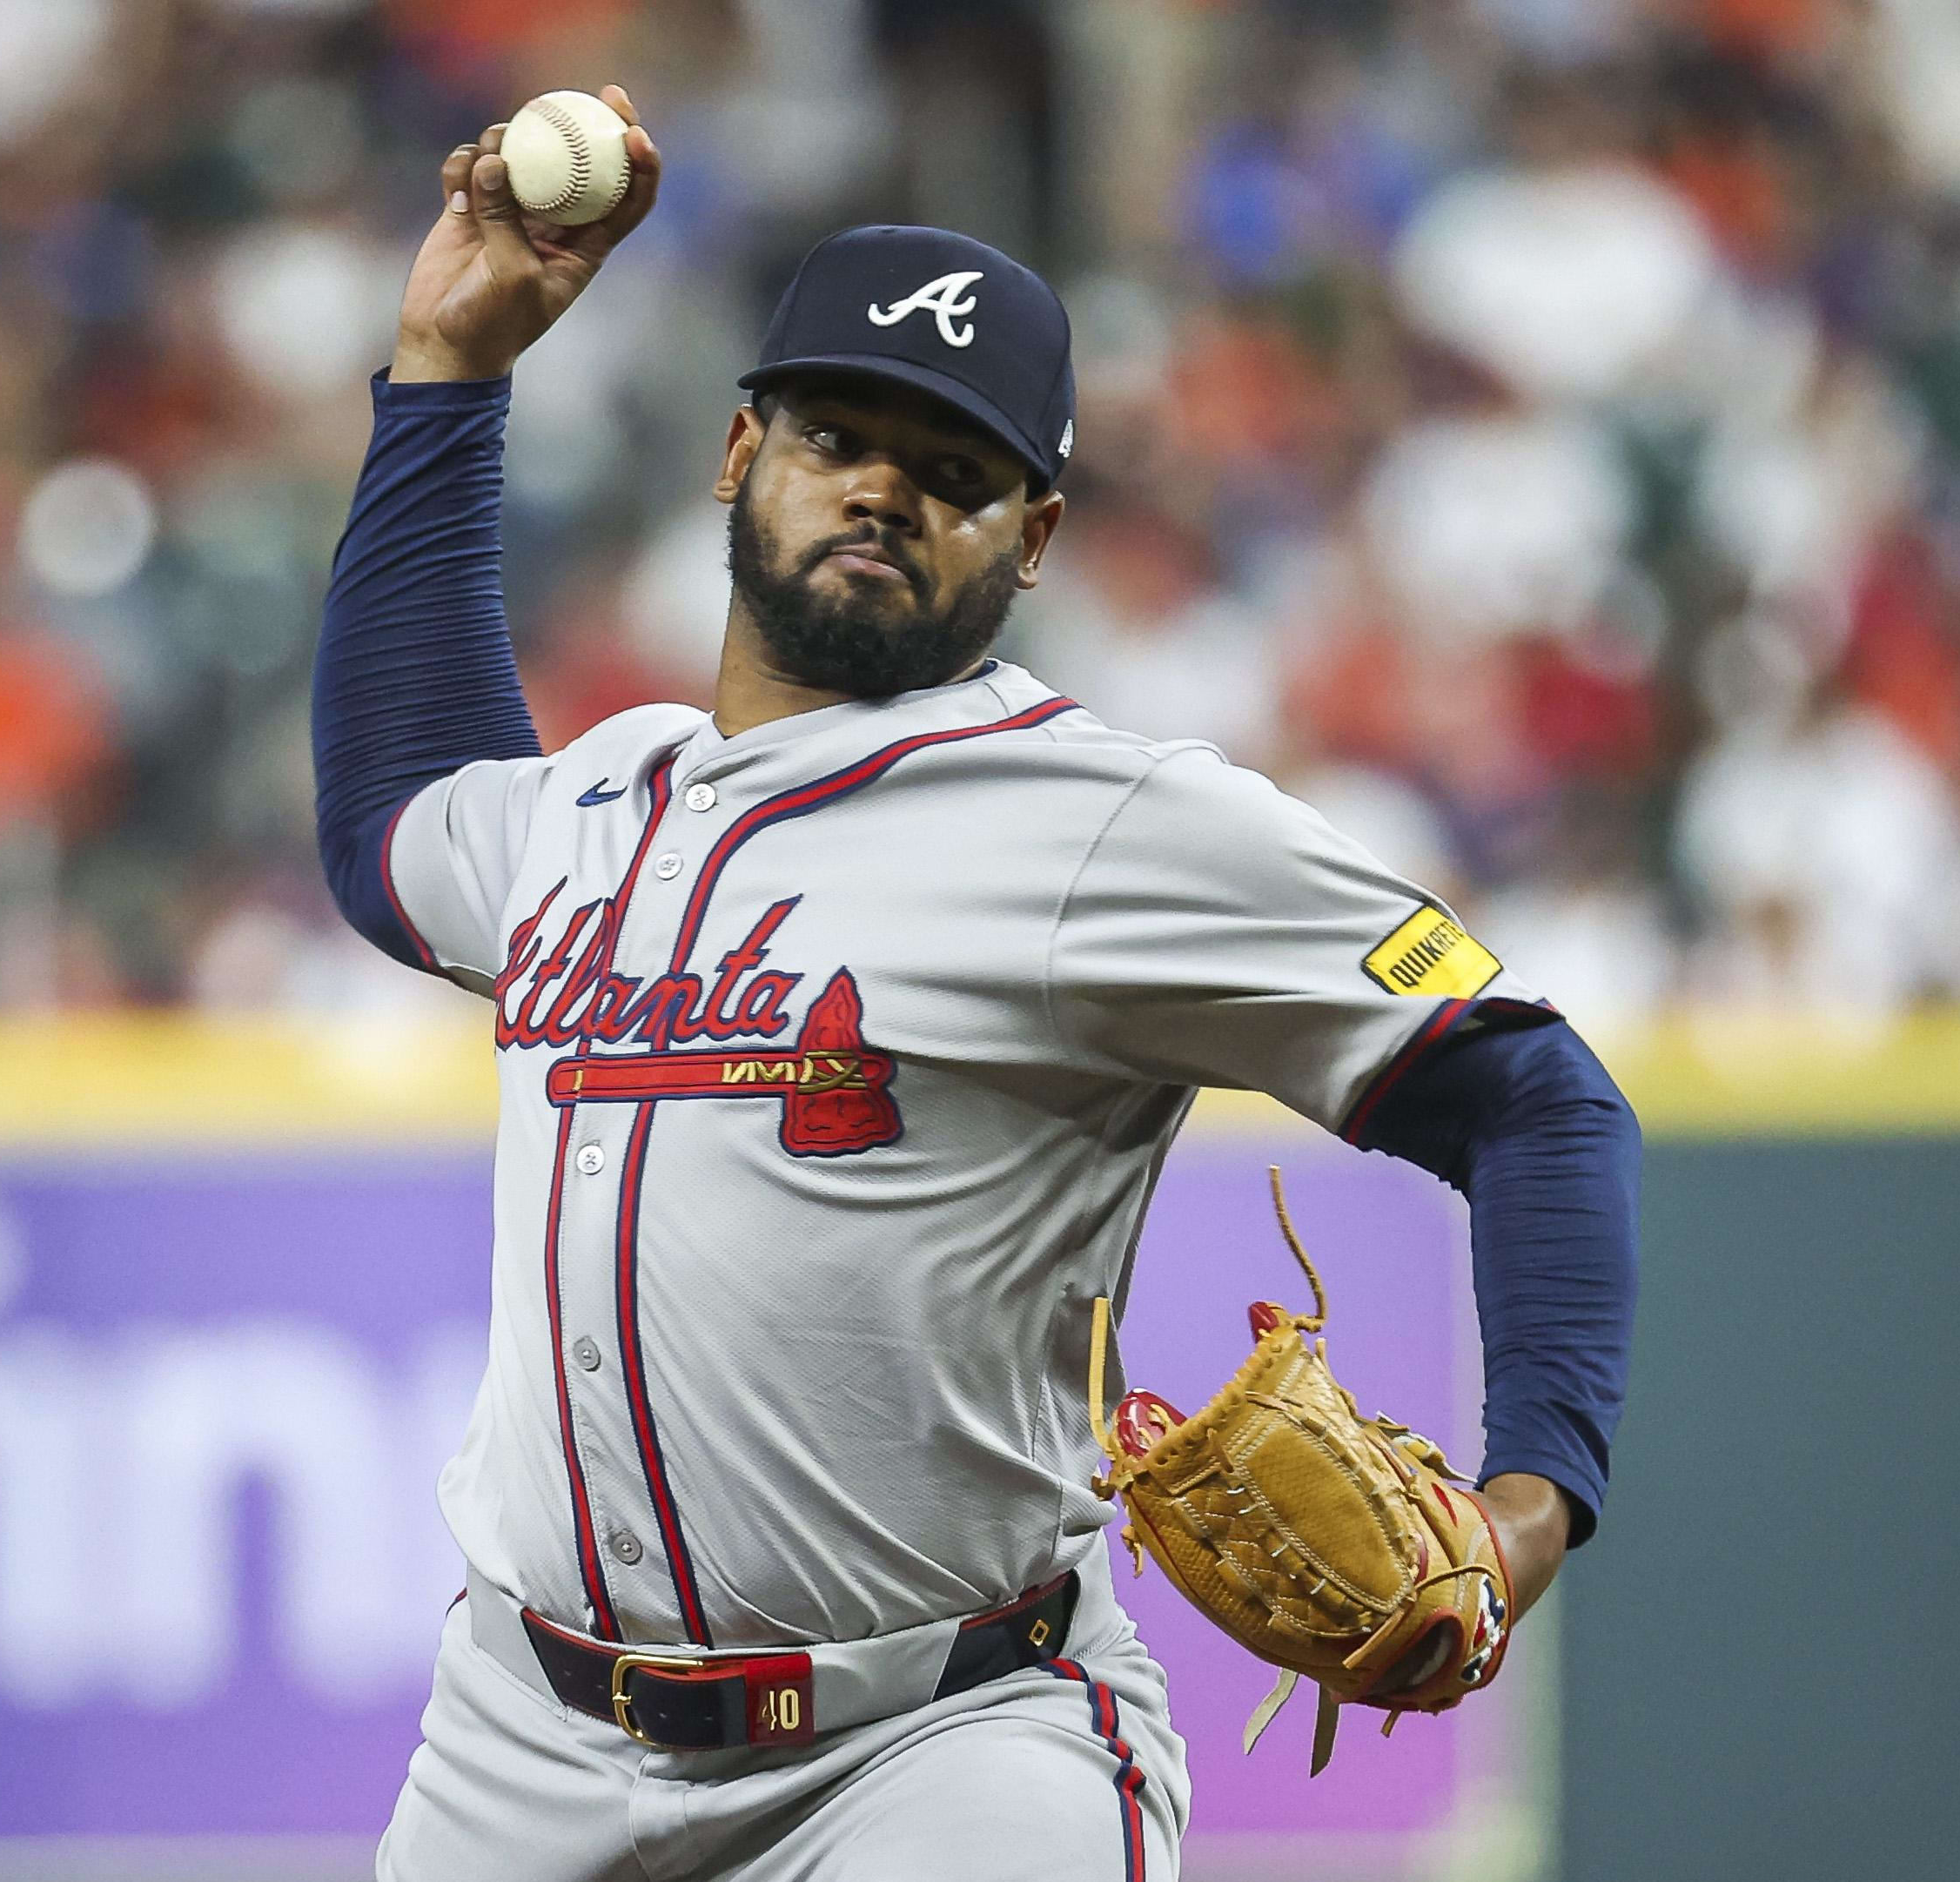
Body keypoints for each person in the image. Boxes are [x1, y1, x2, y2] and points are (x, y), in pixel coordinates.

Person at [311, 89, 1638, 1882]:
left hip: (938, 1744)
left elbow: (1531, 1088)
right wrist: (446, 374)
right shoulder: (594, 802)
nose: (880, 488)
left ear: (1031, 539)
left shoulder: (1108, 824)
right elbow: (396, 816)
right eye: (835, 433)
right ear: (734, 454)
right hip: (518, 1744)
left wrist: (1526, 1498)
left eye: (951, 472)